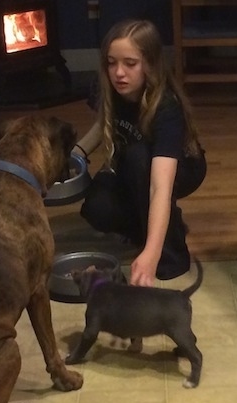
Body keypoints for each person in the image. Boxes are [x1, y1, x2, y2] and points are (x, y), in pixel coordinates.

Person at [72, 19, 207, 287]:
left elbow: (160, 186)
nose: (118, 72)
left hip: (179, 168)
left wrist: (151, 253)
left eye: (130, 63)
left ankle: (171, 253)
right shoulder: (108, 87)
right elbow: (105, 122)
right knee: (97, 208)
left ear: (150, 64)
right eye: (111, 62)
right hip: (133, 162)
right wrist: (76, 154)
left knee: (137, 161)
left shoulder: (167, 107)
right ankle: (154, 225)